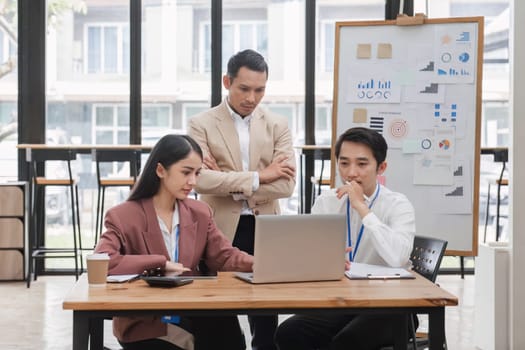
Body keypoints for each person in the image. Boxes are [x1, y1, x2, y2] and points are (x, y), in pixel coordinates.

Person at [94, 134, 253, 350]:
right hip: (146, 320)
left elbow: (225, 256)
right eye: (186, 172)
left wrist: (262, 263)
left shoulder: (200, 212)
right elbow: (104, 262)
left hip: (191, 311)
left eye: (197, 173)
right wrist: (158, 263)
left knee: (228, 332)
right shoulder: (122, 216)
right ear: (160, 170)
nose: (193, 182)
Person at [188, 49, 296, 350]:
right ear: (227, 82)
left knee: (265, 318)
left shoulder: (278, 125)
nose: (252, 97)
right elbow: (199, 180)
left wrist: (228, 180)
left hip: (266, 227)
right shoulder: (201, 124)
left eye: (260, 90)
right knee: (220, 309)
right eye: (244, 88)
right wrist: (262, 176)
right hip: (218, 227)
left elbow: (286, 184)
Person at [274, 127, 416, 350]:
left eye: (362, 164)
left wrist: (362, 208)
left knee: (346, 342)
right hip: (342, 302)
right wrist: (326, 262)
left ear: (381, 167)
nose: (351, 173)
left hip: (391, 307)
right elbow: (309, 254)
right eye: (344, 163)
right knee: (288, 333)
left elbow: (397, 258)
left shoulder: (398, 204)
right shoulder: (327, 201)